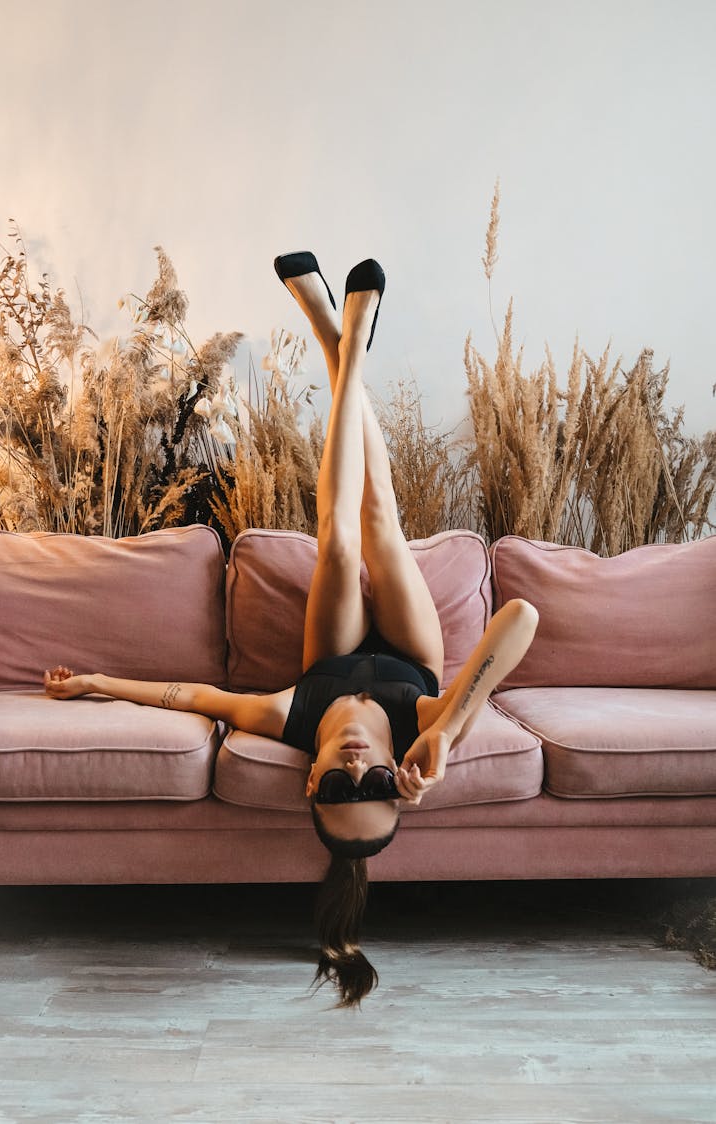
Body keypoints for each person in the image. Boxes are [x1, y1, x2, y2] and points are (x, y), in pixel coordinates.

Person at [44, 252, 539, 1007]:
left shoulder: (292, 720)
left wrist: (96, 683)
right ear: (396, 782)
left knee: (339, 536)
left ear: (309, 781)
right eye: (374, 784)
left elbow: (192, 696)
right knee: (381, 524)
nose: (355, 766)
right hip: (411, 654)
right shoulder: (421, 731)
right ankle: (343, 333)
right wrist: (452, 727)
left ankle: (335, 331)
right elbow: (520, 619)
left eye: (337, 785)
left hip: (332, 656)